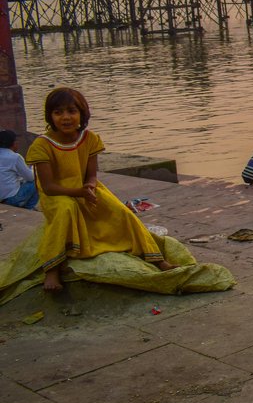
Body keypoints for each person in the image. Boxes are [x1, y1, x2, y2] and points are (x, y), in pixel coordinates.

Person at [26, 87, 179, 291]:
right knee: (66, 210)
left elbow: (91, 175)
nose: (65, 117)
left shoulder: (89, 139)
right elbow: (48, 187)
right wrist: (80, 192)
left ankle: (156, 259)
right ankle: (52, 271)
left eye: (72, 111)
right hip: (57, 194)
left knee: (121, 211)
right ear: (50, 116)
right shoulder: (42, 145)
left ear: (82, 113)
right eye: (58, 112)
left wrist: (89, 186)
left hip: (83, 187)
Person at [0, 129, 38, 210]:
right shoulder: (15, 157)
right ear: (13, 143)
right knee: (37, 181)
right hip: (10, 199)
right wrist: (33, 168)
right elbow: (31, 177)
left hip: (2, 197)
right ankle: (29, 208)